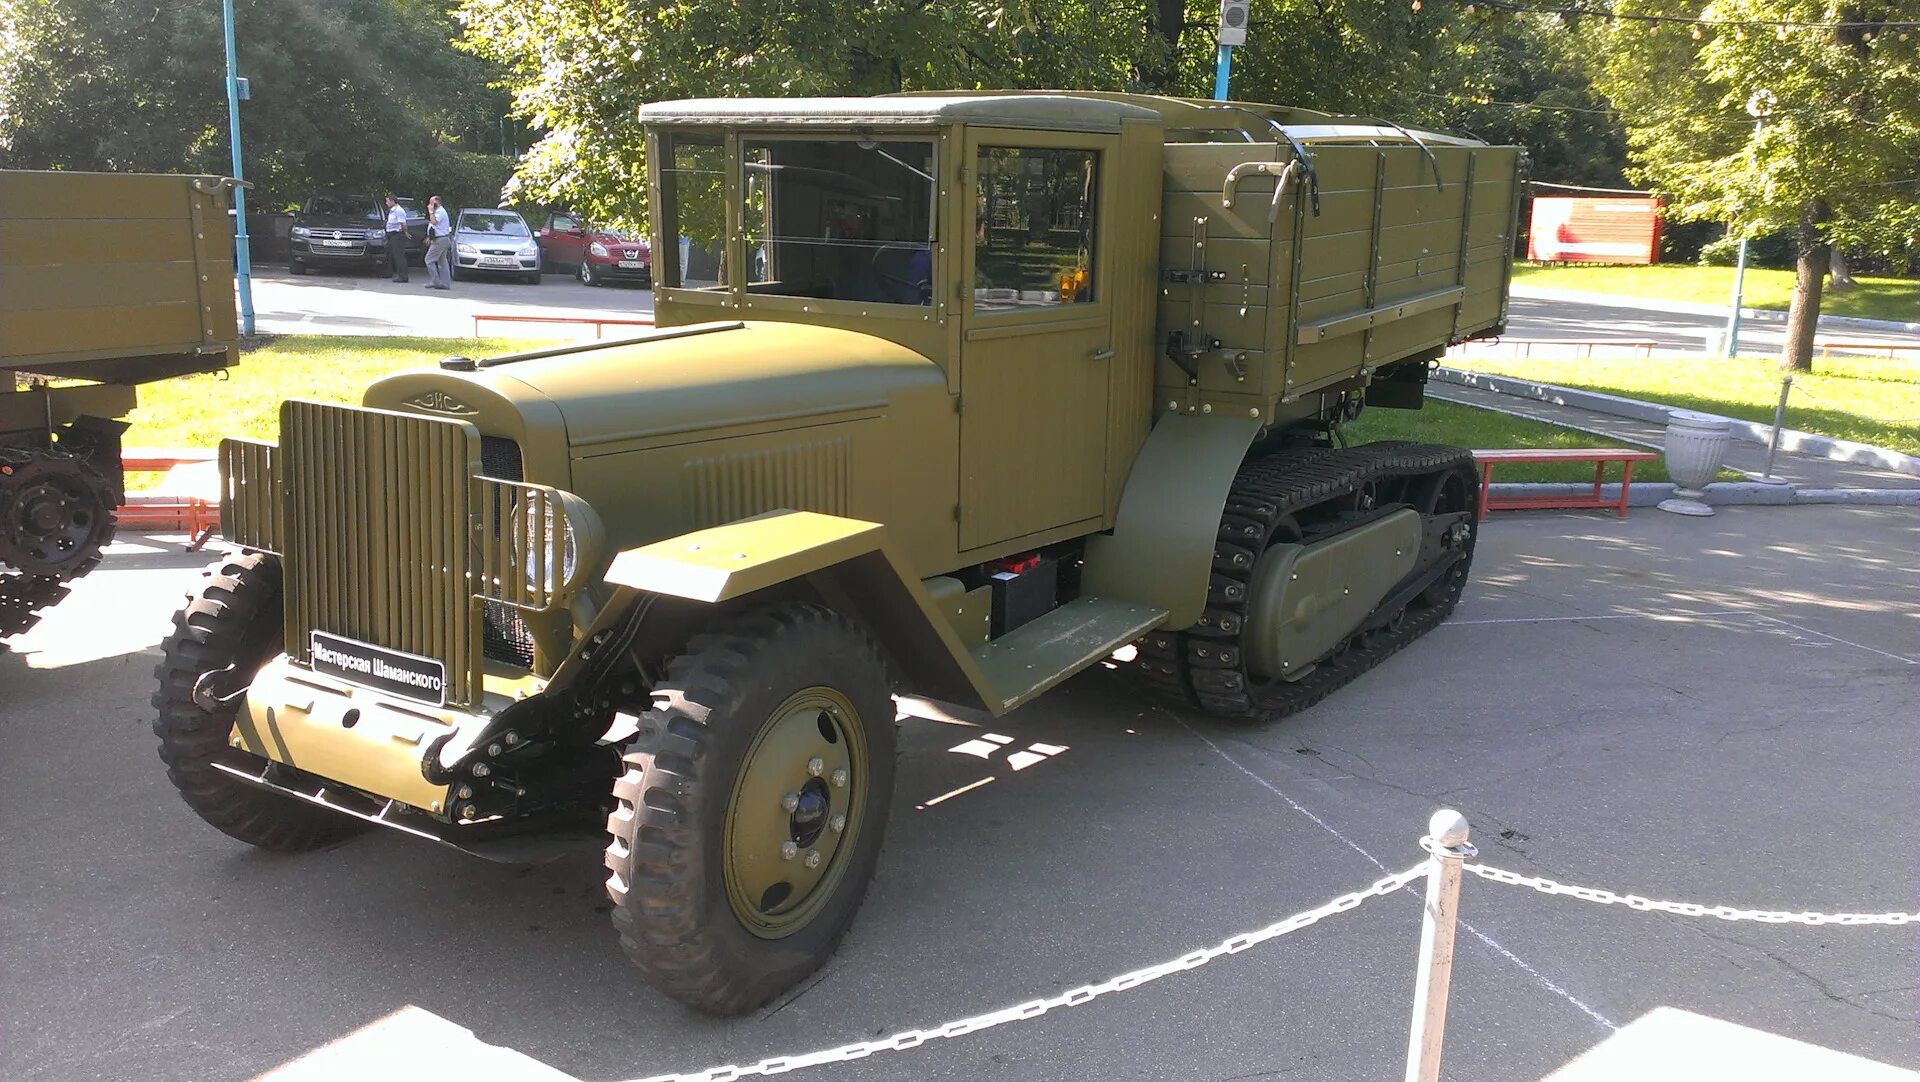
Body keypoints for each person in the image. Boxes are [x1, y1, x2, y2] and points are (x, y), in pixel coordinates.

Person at [423, 195, 452, 290]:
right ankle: (445, 283)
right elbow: (435, 227)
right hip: (439, 238)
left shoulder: (440, 212)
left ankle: (436, 281)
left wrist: (431, 212)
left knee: (429, 260)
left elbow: (434, 222)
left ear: (437, 203)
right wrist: (430, 237)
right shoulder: (438, 211)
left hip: (440, 240)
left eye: (432, 203)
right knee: (442, 261)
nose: (430, 205)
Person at [383, 195, 410, 282]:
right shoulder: (392, 210)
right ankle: (388, 272)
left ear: (392, 201)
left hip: (397, 234)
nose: (386, 203)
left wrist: (405, 232)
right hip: (392, 234)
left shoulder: (399, 210)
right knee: (391, 254)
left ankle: (403, 276)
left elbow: (403, 223)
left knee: (399, 256)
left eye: (387, 201)